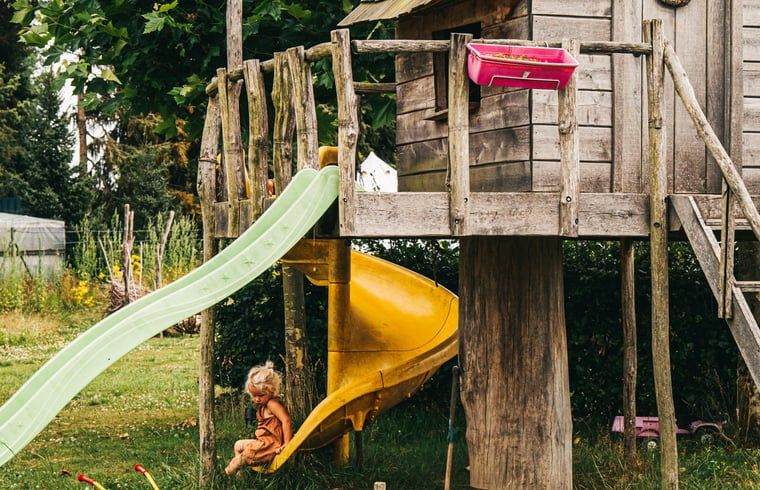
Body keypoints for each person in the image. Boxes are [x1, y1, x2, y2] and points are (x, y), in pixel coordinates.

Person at [225, 361, 293, 475]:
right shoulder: (263, 406)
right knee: (238, 445)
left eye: (260, 395)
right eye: (254, 395)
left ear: (271, 390)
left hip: (270, 444)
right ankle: (240, 475)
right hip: (262, 442)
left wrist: (286, 444)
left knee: (245, 455)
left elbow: (286, 421)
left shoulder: (272, 404)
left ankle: (228, 473)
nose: (257, 399)